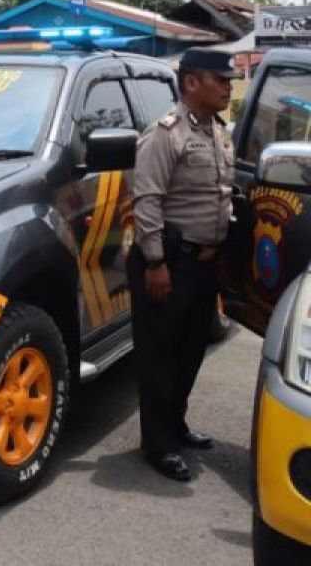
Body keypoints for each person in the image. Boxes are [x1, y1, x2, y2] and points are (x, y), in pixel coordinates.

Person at [128, 48, 239, 483]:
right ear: (192, 82)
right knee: (160, 356)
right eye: (221, 78)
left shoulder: (219, 131)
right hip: (170, 263)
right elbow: (148, 201)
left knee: (191, 351)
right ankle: (158, 445)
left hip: (205, 265)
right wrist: (155, 262)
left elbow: (223, 195)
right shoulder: (164, 134)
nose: (229, 85)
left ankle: (175, 425)